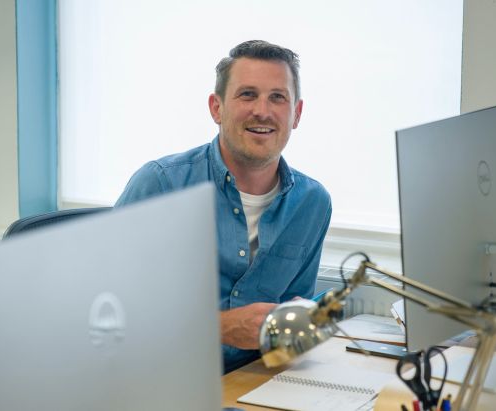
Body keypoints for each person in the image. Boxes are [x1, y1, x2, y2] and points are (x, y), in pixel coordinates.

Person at [114, 40, 332, 373]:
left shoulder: (312, 203)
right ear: (216, 108)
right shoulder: (160, 185)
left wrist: (305, 327)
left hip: (253, 382)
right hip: (160, 380)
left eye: (278, 97)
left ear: (296, 114)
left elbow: (287, 323)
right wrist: (220, 326)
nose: (263, 110)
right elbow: (107, 317)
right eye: (247, 94)